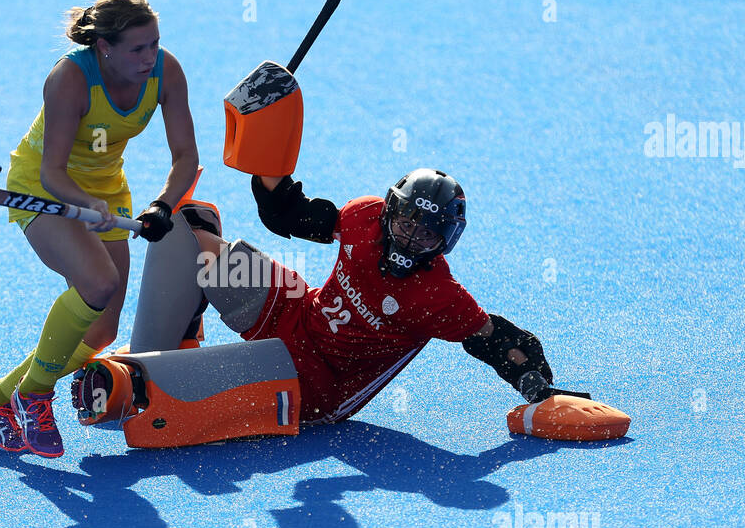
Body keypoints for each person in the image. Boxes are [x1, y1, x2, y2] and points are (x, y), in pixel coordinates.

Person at [109, 167, 565, 427]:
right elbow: (290, 215)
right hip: (294, 311)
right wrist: (266, 154)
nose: (409, 239)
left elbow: (494, 340)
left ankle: (145, 382)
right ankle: (176, 344)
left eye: (426, 234)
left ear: (445, 242)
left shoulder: (439, 297)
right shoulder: (363, 218)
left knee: (167, 390)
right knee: (188, 228)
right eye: (405, 223)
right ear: (388, 212)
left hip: (319, 385)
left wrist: (538, 389)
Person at [0, 0, 199, 457]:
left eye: (154, 43)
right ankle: (34, 396)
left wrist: (161, 207)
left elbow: (186, 157)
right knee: (98, 282)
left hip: (107, 192)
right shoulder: (70, 79)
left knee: (101, 332)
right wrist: (86, 202)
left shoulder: (165, 71)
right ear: (104, 48)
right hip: (44, 188)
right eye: (138, 48)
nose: (150, 56)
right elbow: (52, 172)